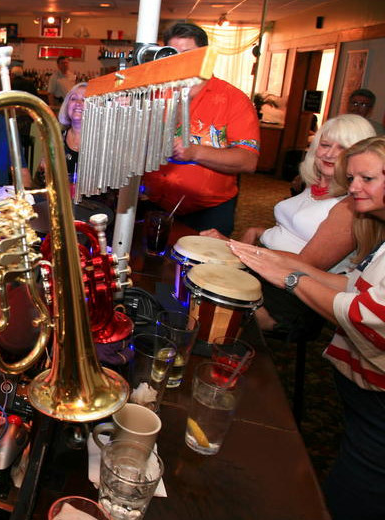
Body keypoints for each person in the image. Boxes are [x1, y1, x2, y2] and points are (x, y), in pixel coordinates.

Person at [228, 135, 385, 520]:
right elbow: (351, 284)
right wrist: (280, 265)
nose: (352, 189)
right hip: (363, 404)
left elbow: (368, 313)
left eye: (366, 179)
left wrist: (293, 280)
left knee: (348, 501)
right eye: (351, 179)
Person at [202, 114, 375, 332]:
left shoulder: (349, 206)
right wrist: (257, 231)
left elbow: (307, 263)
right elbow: (297, 230)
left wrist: (236, 246)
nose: (330, 154)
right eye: (325, 144)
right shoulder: (315, 185)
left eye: (342, 148)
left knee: (211, 298)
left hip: (291, 290)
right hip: (263, 266)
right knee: (196, 273)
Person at [142, 22, 259, 237]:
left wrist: (194, 152)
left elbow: (248, 160)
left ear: (205, 55)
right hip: (152, 203)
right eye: (173, 54)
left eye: (187, 53)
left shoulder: (234, 100)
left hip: (207, 212)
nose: (180, 61)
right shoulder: (156, 92)